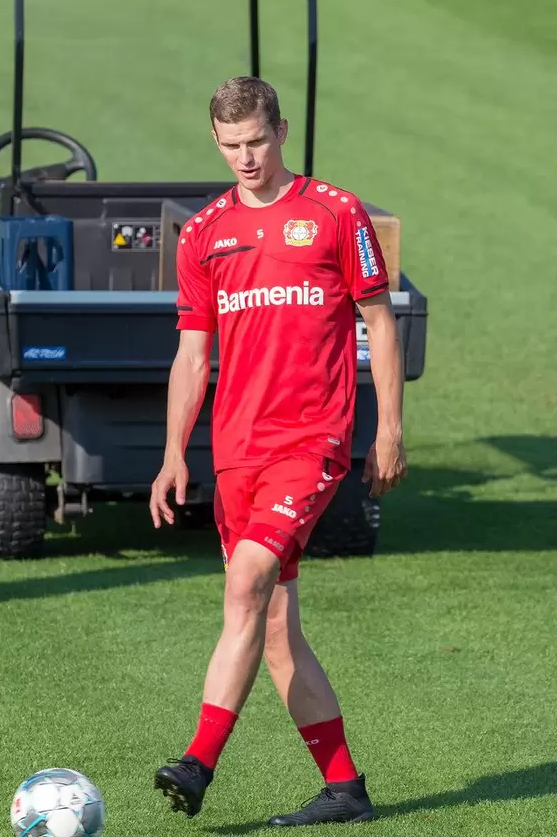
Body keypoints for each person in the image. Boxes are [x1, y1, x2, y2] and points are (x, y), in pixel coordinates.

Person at [150, 76, 407, 826]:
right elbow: (193, 355)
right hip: (237, 452)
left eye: (257, 141)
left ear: (282, 130)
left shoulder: (334, 212)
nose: (246, 157)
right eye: (231, 146)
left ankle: (197, 763)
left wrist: (388, 427)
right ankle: (345, 789)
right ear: (216, 142)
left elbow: (380, 322)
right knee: (271, 629)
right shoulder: (203, 233)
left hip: (311, 441)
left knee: (248, 582)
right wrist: (174, 452)